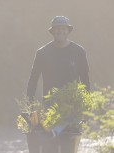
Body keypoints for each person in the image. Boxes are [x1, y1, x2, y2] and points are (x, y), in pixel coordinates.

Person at [26, 16, 90, 153]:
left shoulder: (78, 52)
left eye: (63, 29)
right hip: (49, 107)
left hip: (72, 108)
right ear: (52, 31)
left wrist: (85, 106)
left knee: (69, 146)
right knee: (51, 146)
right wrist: (30, 103)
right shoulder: (42, 53)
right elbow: (33, 79)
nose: (60, 31)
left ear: (68, 31)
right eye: (57, 29)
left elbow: (85, 80)